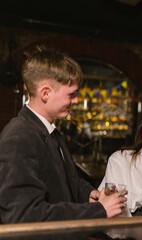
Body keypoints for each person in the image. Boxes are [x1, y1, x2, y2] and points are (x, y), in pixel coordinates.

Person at [0, 46, 126, 223]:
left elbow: (67, 181)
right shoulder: (19, 137)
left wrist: (89, 194)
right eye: (71, 94)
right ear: (45, 93)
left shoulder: (51, 132)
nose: (76, 100)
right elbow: (24, 215)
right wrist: (98, 210)